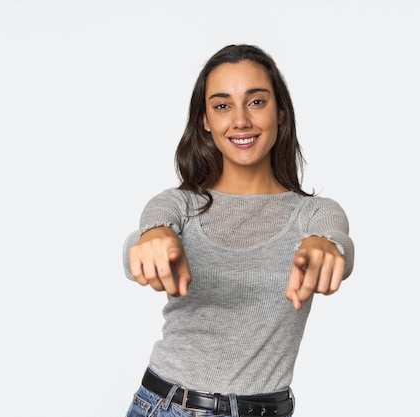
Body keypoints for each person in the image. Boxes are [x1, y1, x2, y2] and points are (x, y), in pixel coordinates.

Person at [122, 44, 355, 417]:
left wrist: (326, 248)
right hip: (169, 407)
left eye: (256, 102)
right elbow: (146, 236)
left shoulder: (314, 214)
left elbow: (336, 242)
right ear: (205, 120)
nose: (241, 120)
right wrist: (151, 240)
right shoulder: (179, 205)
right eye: (222, 105)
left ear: (280, 113)